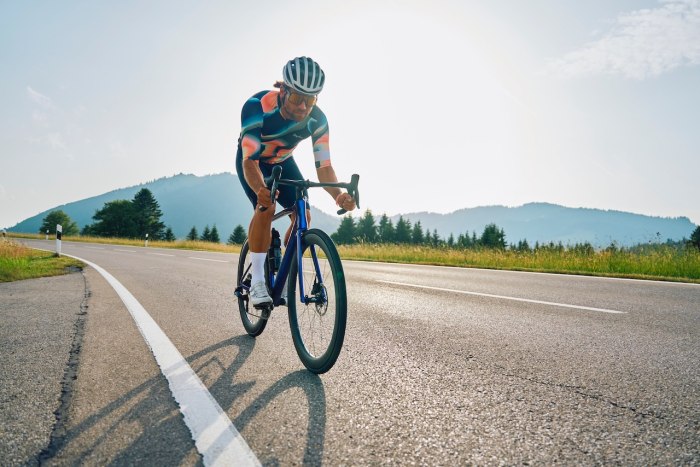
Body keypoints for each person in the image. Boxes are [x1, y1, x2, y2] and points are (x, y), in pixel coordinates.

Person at [236, 56, 356, 307]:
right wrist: (260, 189)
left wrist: (338, 195)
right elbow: (250, 161)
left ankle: (284, 274)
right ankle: (257, 280)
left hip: (283, 161)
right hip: (253, 162)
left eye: (310, 100)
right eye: (296, 98)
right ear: (283, 90)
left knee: (304, 216)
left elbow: (324, 167)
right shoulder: (257, 106)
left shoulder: (318, 120)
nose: (303, 106)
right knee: (266, 205)